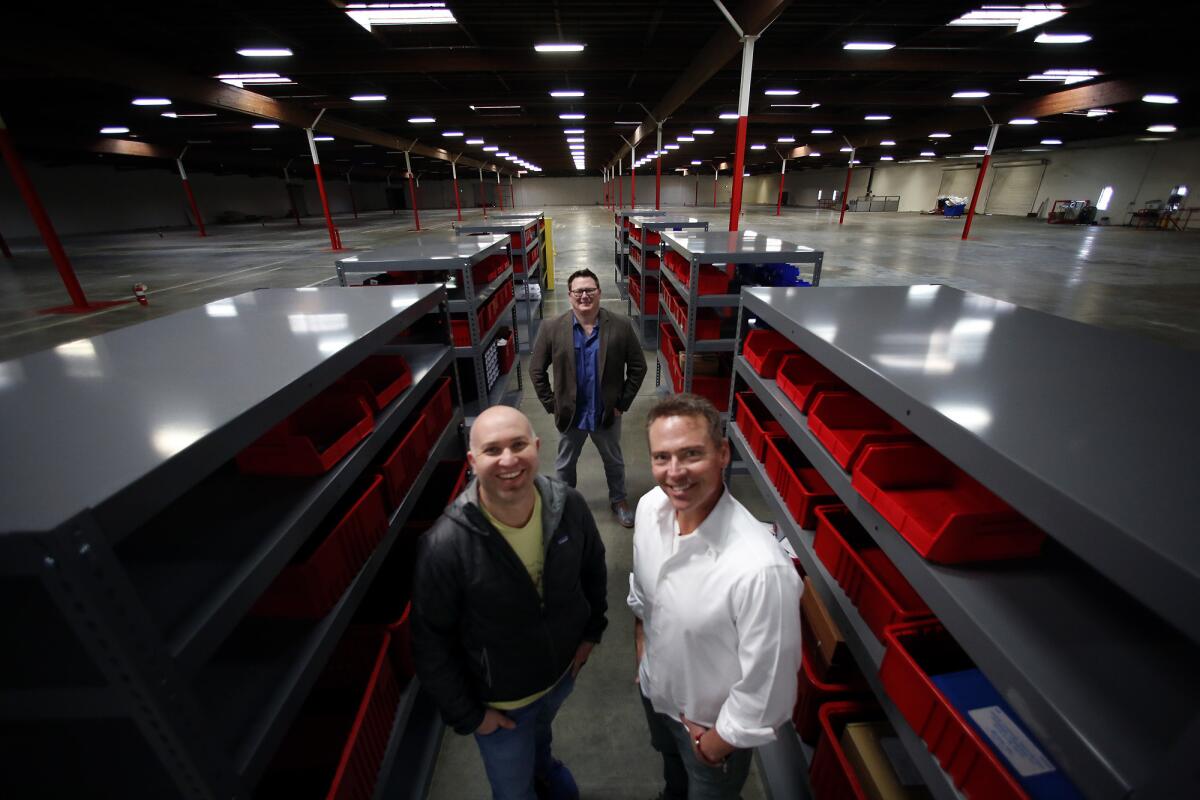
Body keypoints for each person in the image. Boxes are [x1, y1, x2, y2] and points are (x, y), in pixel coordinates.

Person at [411, 405, 608, 800]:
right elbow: (430, 644)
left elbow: (593, 570)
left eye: (518, 445)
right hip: (502, 707)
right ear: (472, 461)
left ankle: (544, 769)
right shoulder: (446, 546)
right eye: (492, 450)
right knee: (512, 790)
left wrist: (590, 634)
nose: (508, 460)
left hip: (559, 678)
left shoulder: (569, 506)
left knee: (541, 739)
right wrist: (471, 717)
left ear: (536, 447)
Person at [628, 394, 802, 800]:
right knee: (671, 772)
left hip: (710, 729)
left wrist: (715, 743)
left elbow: (769, 689)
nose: (675, 473)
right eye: (662, 457)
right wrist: (643, 655)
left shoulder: (760, 569)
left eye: (691, 454)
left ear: (722, 453)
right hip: (656, 692)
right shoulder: (650, 509)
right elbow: (643, 597)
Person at [530, 268, 647, 528]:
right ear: (570, 295)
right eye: (578, 291)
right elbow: (536, 370)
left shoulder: (620, 325)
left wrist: (622, 404)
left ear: (599, 293)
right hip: (570, 414)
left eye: (589, 290)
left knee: (614, 461)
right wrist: (552, 404)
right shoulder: (552, 328)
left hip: (605, 412)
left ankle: (619, 500)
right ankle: (563, 505)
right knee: (564, 465)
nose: (584, 295)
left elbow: (639, 367)